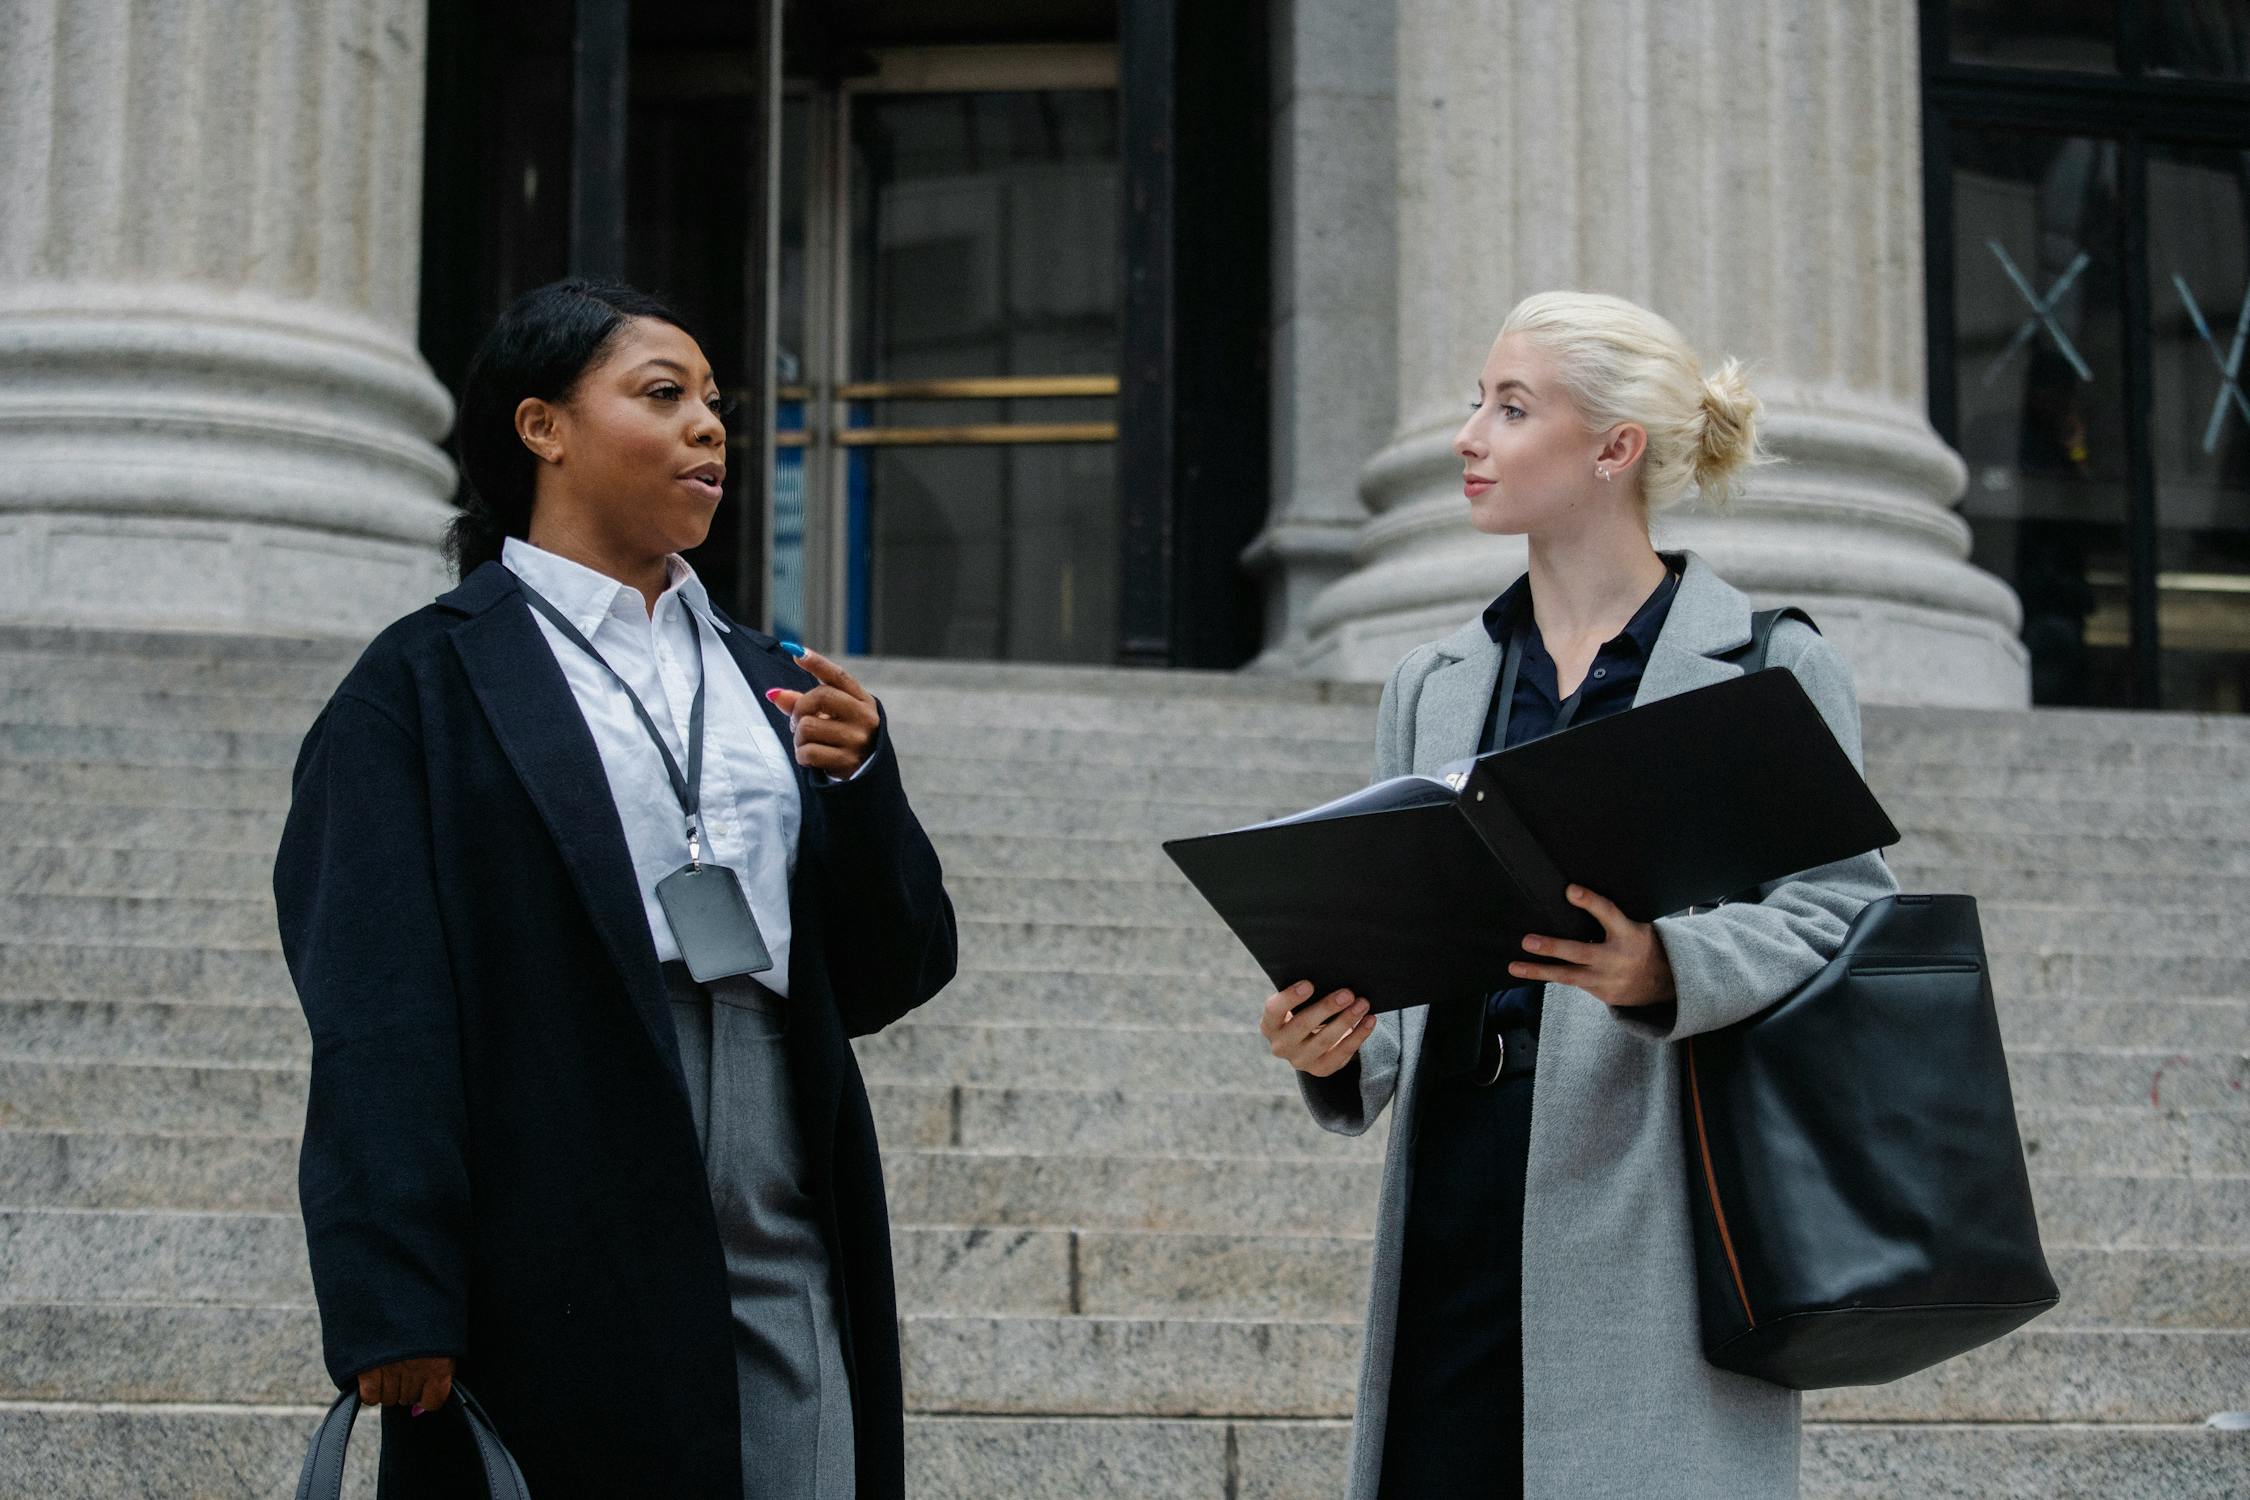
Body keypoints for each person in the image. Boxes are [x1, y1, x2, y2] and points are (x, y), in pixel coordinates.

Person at [274, 279, 957, 1499]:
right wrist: (392, 1288)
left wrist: (860, 787)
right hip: (557, 1151)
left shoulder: (773, 679)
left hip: (781, 1152)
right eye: (663, 395)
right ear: (543, 428)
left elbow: (894, 969)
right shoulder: (423, 684)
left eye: (714, 404)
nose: (709, 427)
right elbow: (375, 1002)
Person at [1257, 291, 1897, 1499]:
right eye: (1473, 404)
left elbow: (1845, 912)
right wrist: (1330, 1043)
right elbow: (1403, 940)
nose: (1469, 436)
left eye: (1511, 408)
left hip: (1658, 1187)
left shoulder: (1766, 663)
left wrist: (1664, 970)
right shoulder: (1434, 683)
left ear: (1616, 449)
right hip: (1455, 1186)